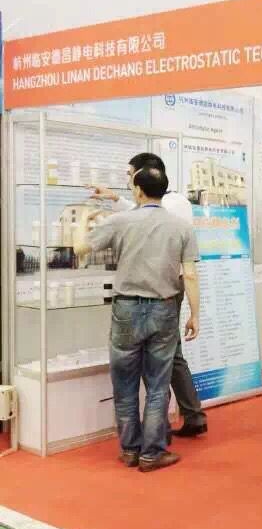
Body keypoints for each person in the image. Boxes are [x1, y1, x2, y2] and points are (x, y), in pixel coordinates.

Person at [75, 165, 201, 472]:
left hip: (126, 309)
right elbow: (190, 276)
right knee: (158, 385)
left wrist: (83, 221)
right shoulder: (182, 227)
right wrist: (195, 314)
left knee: (125, 384)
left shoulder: (120, 221)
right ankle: (152, 453)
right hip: (165, 308)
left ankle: (130, 450)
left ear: (138, 191)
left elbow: (80, 248)